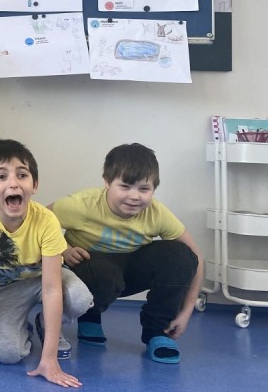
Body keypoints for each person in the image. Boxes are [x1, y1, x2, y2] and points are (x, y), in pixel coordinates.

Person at [0, 140, 92, 388]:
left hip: (43, 279)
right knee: (8, 354)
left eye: (22, 175)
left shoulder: (46, 220)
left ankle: (47, 325)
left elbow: (51, 288)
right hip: (6, 289)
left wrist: (49, 358)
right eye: (1, 176)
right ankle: (23, 327)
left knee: (80, 297)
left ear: (34, 185)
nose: (13, 183)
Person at [50, 143, 202, 364]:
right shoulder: (81, 205)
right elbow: (37, 223)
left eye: (144, 189)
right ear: (107, 182)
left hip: (129, 270)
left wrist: (187, 310)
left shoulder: (156, 213)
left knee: (181, 256)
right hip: (91, 269)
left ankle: (157, 332)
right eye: (125, 186)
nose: (134, 196)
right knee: (101, 272)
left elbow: (196, 257)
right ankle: (90, 316)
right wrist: (64, 249)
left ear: (154, 189)